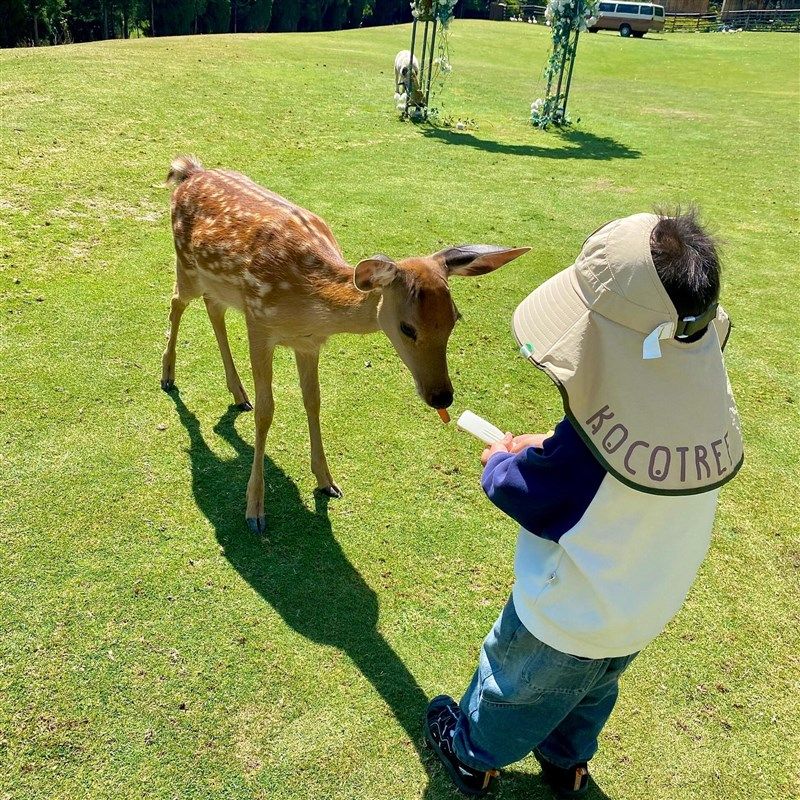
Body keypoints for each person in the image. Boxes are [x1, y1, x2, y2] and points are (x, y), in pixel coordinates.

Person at [423, 211, 744, 798]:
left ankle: (472, 753)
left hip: (565, 615)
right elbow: (614, 451)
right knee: (593, 690)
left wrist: (501, 458)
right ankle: (566, 762)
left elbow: (528, 492)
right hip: (643, 606)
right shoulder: (705, 406)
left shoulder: (582, 461)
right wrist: (550, 444)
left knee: (511, 683)